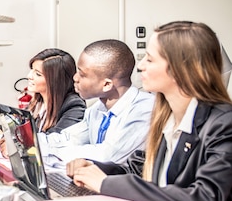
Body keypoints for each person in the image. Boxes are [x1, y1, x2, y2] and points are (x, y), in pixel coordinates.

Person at [68, 21, 232, 201]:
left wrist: (105, 184)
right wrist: (93, 167)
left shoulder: (224, 121)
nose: (140, 65)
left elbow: (206, 198)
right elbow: (138, 167)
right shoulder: (166, 116)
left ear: (180, 69)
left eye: (150, 59)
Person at [37, 39, 155, 167]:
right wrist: (29, 141)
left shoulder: (143, 110)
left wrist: (52, 152)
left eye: (82, 74)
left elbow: (107, 156)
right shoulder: (98, 109)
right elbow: (68, 139)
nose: (75, 78)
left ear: (107, 84)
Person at [0, 48, 86, 143]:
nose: (29, 76)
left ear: (55, 81)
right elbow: (16, 128)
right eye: (31, 70)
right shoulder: (37, 103)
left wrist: (4, 137)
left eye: (37, 74)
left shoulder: (74, 106)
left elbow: (52, 141)